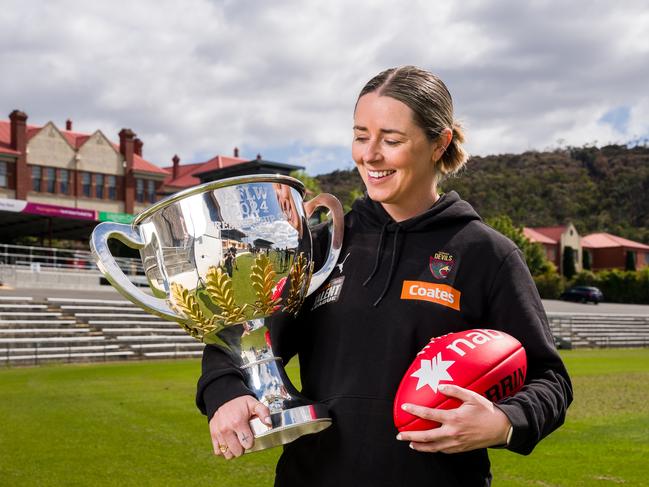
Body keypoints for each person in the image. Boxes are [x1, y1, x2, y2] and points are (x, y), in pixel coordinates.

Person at [196, 66, 573, 486]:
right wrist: (226, 393)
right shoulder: (320, 246)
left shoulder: (487, 255)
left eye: (391, 140)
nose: (369, 155)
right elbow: (243, 339)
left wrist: (504, 421)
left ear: (439, 143)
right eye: (361, 135)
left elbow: (550, 379)